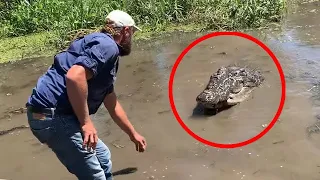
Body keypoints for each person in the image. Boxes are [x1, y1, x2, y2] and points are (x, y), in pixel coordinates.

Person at [25, 10, 147, 180]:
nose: (132, 38)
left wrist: (133, 134)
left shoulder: (100, 46)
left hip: (55, 114)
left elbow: (111, 102)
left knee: (103, 158)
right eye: (132, 33)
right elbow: (75, 76)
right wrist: (86, 123)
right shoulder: (108, 46)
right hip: (51, 115)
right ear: (125, 31)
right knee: (95, 176)